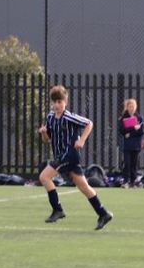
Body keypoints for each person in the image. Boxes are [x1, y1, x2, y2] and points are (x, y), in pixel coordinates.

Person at [38, 85, 113, 229]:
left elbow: (89, 123)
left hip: (69, 155)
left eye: (60, 102)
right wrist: (43, 132)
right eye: (55, 102)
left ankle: (58, 210)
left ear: (65, 102)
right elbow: (47, 140)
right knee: (83, 186)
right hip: (61, 156)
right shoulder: (50, 118)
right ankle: (103, 213)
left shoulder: (69, 117)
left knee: (44, 177)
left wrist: (82, 140)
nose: (57, 105)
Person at [118, 97, 144, 186]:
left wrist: (131, 132)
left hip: (136, 144)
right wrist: (133, 128)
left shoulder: (139, 118)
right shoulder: (123, 118)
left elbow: (141, 131)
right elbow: (122, 130)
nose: (132, 108)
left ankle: (133, 181)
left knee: (134, 163)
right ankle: (126, 180)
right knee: (127, 163)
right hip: (127, 145)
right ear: (127, 107)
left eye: (133, 106)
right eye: (130, 106)